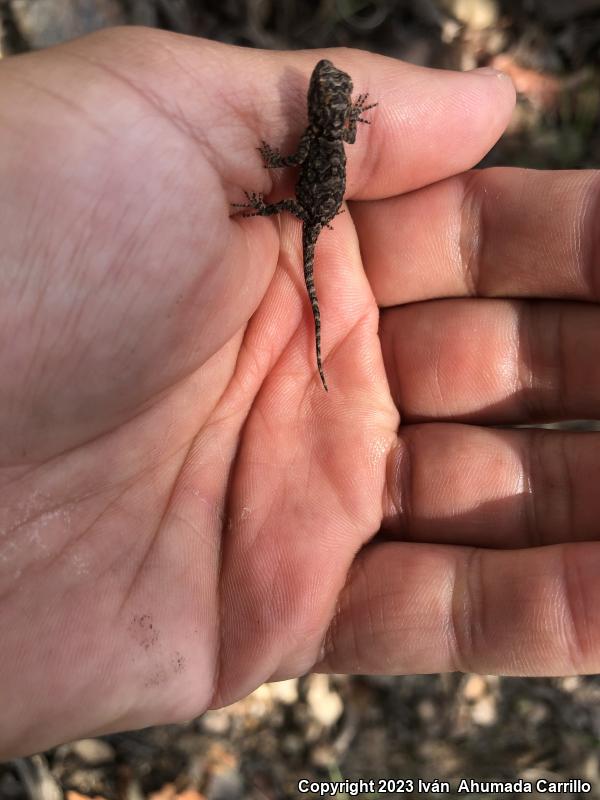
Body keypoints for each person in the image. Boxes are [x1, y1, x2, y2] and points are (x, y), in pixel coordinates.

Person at [1, 25, 598, 760]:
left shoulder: (323, 137)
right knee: (309, 259)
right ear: (332, 111)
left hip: (313, 209)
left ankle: (297, 287)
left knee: (307, 254)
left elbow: (293, 161)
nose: (331, 95)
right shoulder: (338, 134)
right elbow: (313, 154)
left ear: (327, 109)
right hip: (321, 210)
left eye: (334, 93)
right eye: (332, 94)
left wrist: (270, 188)